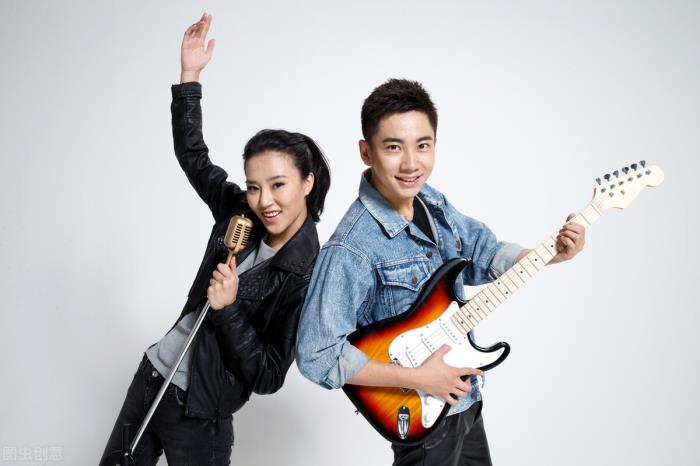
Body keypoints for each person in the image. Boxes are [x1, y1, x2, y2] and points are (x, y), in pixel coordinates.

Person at [296, 78, 585, 466]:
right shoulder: (351, 247)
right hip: (422, 415)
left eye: (423, 145)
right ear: (366, 152)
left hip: (463, 402)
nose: (411, 163)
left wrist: (549, 254)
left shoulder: (431, 202)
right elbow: (316, 354)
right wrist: (418, 378)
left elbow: (483, 252)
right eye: (393, 147)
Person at [99, 13, 331, 466]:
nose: (264, 201)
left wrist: (229, 309)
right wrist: (190, 77)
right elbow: (194, 156)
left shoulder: (308, 275)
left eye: (278, 185)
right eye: (254, 186)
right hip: (151, 375)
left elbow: (268, 375)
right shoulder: (238, 212)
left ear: (307, 182)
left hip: (200, 411)